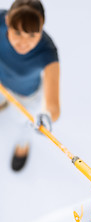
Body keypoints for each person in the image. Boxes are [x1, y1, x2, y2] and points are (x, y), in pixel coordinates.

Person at [0, 0, 60, 171]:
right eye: (17, 32)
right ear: (7, 21)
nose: (24, 43)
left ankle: (23, 145)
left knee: (25, 125)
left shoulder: (47, 52)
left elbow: (53, 105)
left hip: (27, 97)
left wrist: (47, 115)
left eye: (33, 35)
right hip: (2, 82)